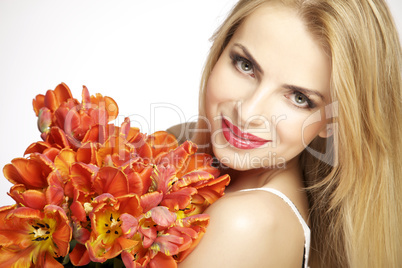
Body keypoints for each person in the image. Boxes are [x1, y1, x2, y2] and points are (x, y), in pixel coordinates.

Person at [168, 0, 402, 267]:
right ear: (221, 50)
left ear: (333, 121)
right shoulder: (176, 145)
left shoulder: (245, 224)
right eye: (245, 65)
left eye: (299, 98)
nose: (248, 113)